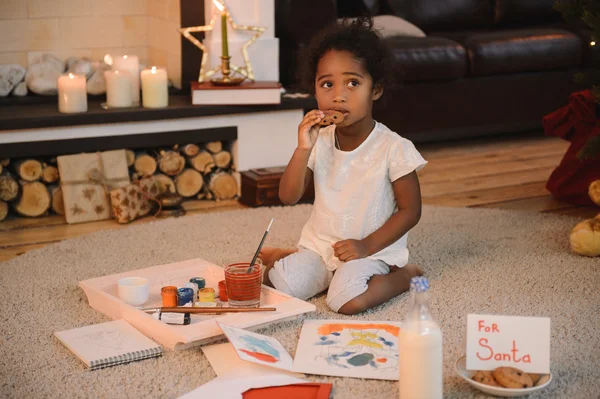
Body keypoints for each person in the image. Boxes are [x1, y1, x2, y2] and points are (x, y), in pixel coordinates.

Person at [260, 17, 427, 315]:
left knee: (346, 302)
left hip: (371, 250)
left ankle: (406, 275)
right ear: (314, 89)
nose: (338, 95)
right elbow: (288, 196)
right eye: (327, 84)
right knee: (276, 286)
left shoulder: (393, 148)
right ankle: (294, 257)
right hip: (321, 247)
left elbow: (410, 210)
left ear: (375, 90)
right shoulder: (318, 140)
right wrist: (302, 148)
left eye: (353, 83)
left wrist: (366, 246)